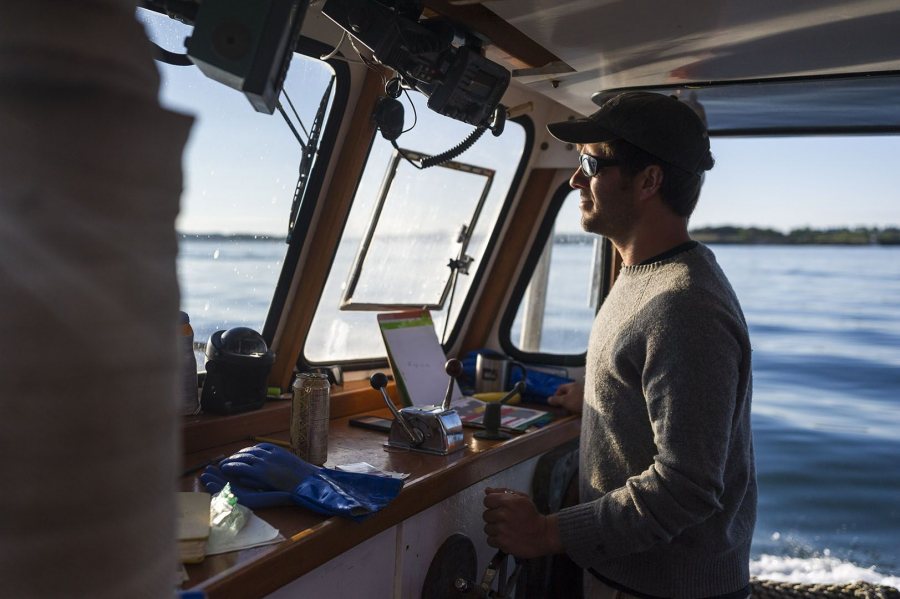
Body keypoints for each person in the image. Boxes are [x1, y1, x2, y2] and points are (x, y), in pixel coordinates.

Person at [482, 92, 756, 599]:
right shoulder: (643, 276)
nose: (575, 180)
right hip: (631, 574)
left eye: (591, 163)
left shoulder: (685, 305)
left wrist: (546, 532)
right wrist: (601, 396)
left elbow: (687, 487)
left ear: (650, 181)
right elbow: (653, 379)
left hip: (667, 589)